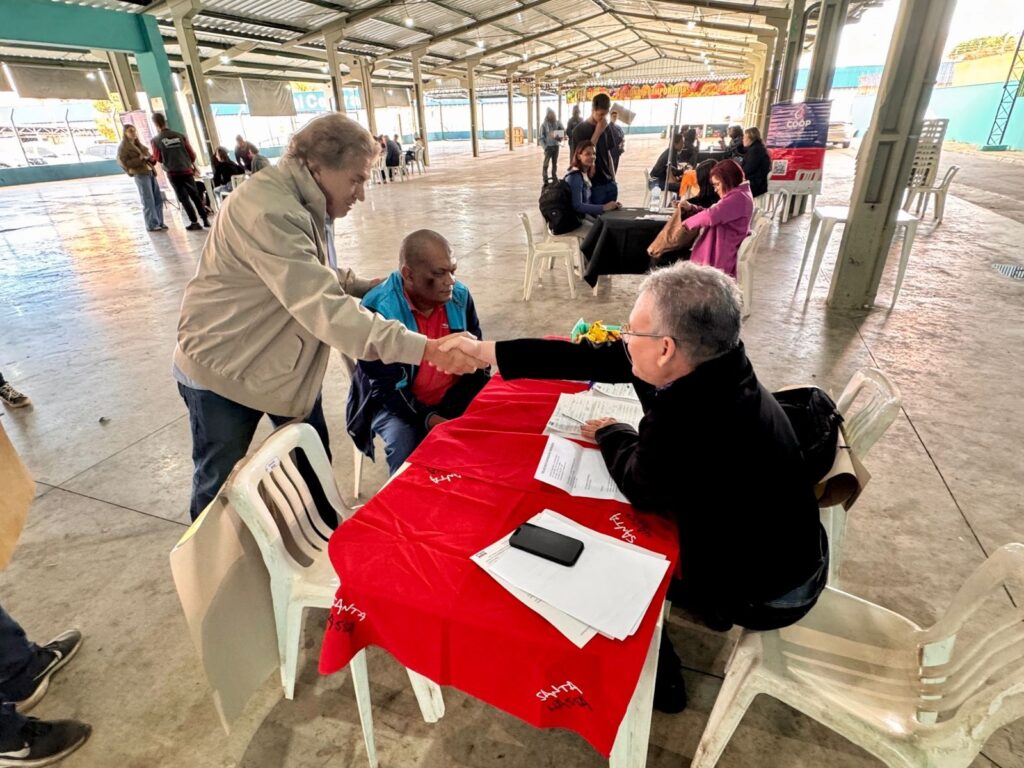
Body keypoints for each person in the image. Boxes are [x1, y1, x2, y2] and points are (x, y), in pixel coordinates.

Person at [441, 262, 828, 713]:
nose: (623, 338)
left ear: (665, 348)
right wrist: (486, 352)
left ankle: (654, 677)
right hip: (792, 551)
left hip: (768, 592)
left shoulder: (691, 418)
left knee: (593, 545)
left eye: (632, 331)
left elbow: (641, 484)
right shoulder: (718, 362)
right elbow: (595, 358)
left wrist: (613, 433)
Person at [172, 113, 484, 522]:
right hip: (226, 369)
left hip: (282, 367)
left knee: (313, 467)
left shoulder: (302, 200)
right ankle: (205, 576)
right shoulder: (268, 209)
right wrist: (425, 348)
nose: (361, 194)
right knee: (217, 489)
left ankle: (328, 548)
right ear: (318, 166)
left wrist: (357, 284)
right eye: (356, 179)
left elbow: (306, 272)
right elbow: (326, 310)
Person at [346, 230, 489, 474]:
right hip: (394, 405)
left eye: (452, 271)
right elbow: (386, 391)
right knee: (405, 442)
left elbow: (479, 363)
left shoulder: (460, 298)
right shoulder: (378, 310)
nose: (450, 282)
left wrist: (456, 411)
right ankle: (406, 505)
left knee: (491, 429)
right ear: (408, 275)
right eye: (439, 273)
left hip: (450, 397)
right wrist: (431, 420)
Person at [677, 159, 753, 277]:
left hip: (719, 257)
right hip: (722, 250)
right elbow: (716, 214)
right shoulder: (740, 194)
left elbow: (711, 216)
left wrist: (685, 224)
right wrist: (692, 208)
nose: (715, 189)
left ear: (728, 181)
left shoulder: (738, 198)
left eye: (717, 184)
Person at [150, 113, 208, 232]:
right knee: (195, 195)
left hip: (173, 173)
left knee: (183, 198)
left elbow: (158, 158)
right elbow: (192, 154)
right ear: (165, 121)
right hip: (186, 170)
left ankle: (194, 222)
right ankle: (205, 219)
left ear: (155, 124)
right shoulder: (180, 136)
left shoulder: (155, 140)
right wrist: (187, 163)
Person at [117, 124, 166, 232]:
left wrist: (150, 158)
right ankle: (151, 224)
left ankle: (160, 222)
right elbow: (124, 163)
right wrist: (139, 159)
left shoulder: (138, 144)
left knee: (157, 198)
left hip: (150, 171)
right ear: (125, 133)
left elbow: (148, 156)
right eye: (130, 131)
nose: (134, 133)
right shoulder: (123, 148)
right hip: (140, 173)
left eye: (134, 131)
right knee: (148, 199)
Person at [570, 94, 617, 205]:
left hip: (608, 182)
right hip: (592, 184)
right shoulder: (579, 130)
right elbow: (581, 157)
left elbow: (608, 154)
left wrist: (613, 179)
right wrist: (598, 131)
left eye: (605, 115)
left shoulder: (607, 127)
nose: (603, 118)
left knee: (611, 218)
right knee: (597, 219)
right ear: (593, 110)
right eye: (600, 114)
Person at [564, 141, 621, 219]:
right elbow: (577, 206)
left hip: (586, 216)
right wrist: (604, 207)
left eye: (594, 154)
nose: (592, 157)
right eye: (587, 154)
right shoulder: (575, 177)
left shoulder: (584, 174)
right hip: (579, 219)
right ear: (578, 156)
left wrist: (611, 206)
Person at [740, 126, 772, 200]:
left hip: (756, 184)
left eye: (744, 137)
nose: (743, 140)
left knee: (729, 186)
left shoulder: (755, 150)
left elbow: (748, 169)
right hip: (758, 182)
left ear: (750, 138)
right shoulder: (756, 147)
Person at [539, 109, 564, 185]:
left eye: (553, 114)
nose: (553, 115)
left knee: (554, 163)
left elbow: (563, 131)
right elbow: (541, 138)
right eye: (551, 114)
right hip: (548, 147)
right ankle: (545, 178)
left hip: (556, 146)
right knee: (546, 164)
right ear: (547, 115)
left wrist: (556, 134)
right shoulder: (543, 125)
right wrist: (545, 147)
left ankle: (554, 176)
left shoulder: (558, 123)